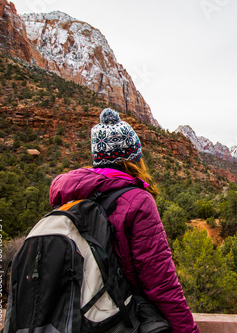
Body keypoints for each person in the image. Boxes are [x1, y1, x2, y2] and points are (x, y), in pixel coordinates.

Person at [49, 108, 199, 333]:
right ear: (134, 158)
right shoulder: (138, 200)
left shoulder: (71, 196)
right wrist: (188, 330)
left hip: (70, 317)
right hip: (115, 318)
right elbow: (160, 282)